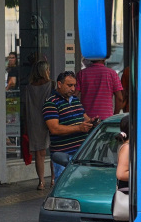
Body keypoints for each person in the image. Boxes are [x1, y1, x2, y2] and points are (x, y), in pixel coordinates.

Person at [43, 71, 94, 182]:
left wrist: (93, 122)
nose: (73, 89)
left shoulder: (75, 100)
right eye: (69, 85)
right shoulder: (51, 103)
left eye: (74, 85)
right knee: (64, 187)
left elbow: (85, 117)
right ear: (59, 84)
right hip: (63, 156)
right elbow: (54, 129)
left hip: (80, 154)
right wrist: (79, 128)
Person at [23, 60, 53, 190]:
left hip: (34, 121)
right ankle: (53, 179)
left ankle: (41, 182)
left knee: (39, 154)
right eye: (48, 69)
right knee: (54, 151)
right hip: (51, 119)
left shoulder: (29, 87)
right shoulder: (51, 85)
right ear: (44, 71)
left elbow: (25, 107)